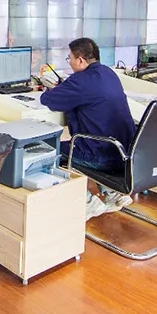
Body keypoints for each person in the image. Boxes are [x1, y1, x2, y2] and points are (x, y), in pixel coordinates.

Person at [40, 38, 137, 219]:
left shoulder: (81, 81)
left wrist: (53, 89)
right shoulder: (108, 73)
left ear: (80, 60)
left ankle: (87, 202)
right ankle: (112, 192)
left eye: (69, 58)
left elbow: (49, 101)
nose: (69, 62)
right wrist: (67, 88)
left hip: (98, 157)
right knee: (91, 139)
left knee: (45, 150)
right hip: (123, 155)